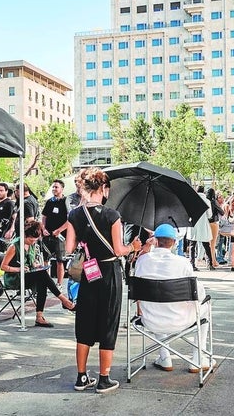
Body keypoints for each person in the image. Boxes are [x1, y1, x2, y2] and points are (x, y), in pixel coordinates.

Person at [65, 167, 141, 394]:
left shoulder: (74, 215)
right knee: (108, 323)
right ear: (102, 188)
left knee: (84, 323)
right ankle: (104, 378)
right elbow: (119, 250)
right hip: (109, 272)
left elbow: (69, 247)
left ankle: (81, 377)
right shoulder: (112, 215)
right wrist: (133, 247)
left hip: (89, 273)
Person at [134, 224, 211, 373]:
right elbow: (199, 294)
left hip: (150, 319)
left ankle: (164, 355)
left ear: (155, 241)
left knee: (156, 303)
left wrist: (145, 248)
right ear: (174, 243)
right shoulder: (182, 263)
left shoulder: (142, 261)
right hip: (178, 320)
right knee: (205, 307)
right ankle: (197, 357)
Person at [0, 219, 75, 327]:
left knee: (42, 279)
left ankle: (40, 316)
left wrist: (36, 265)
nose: (33, 242)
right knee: (42, 276)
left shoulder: (32, 245)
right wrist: (19, 269)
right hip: (14, 277)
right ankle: (63, 299)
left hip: (28, 275)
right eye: (31, 240)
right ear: (25, 236)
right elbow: (3, 267)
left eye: (35, 240)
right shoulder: (14, 246)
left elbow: (31, 261)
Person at [41, 179, 69, 285]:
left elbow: (69, 219)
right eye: (53, 187)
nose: (54, 189)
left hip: (60, 236)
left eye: (56, 187)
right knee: (45, 259)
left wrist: (59, 230)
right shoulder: (49, 202)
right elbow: (44, 216)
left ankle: (59, 284)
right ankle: (46, 282)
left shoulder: (66, 202)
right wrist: (43, 229)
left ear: (62, 189)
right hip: (47, 235)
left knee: (60, 260)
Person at [188, 186, 214, 270]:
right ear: (203, 192)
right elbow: (209, 215)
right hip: (203, 223)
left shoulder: (191, 200)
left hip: (193, 224)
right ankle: (209, 264)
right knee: (206, 244)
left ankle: (192, 264)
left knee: (192, 245)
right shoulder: (207, 201)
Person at [205, 188, 223, 268]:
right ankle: (213, 261)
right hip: (214, 222)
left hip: (206, 223)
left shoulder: (205, 201)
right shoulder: (213, 201)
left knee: (208, 243)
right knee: (212, 244)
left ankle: (209, 261)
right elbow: (222, 212)